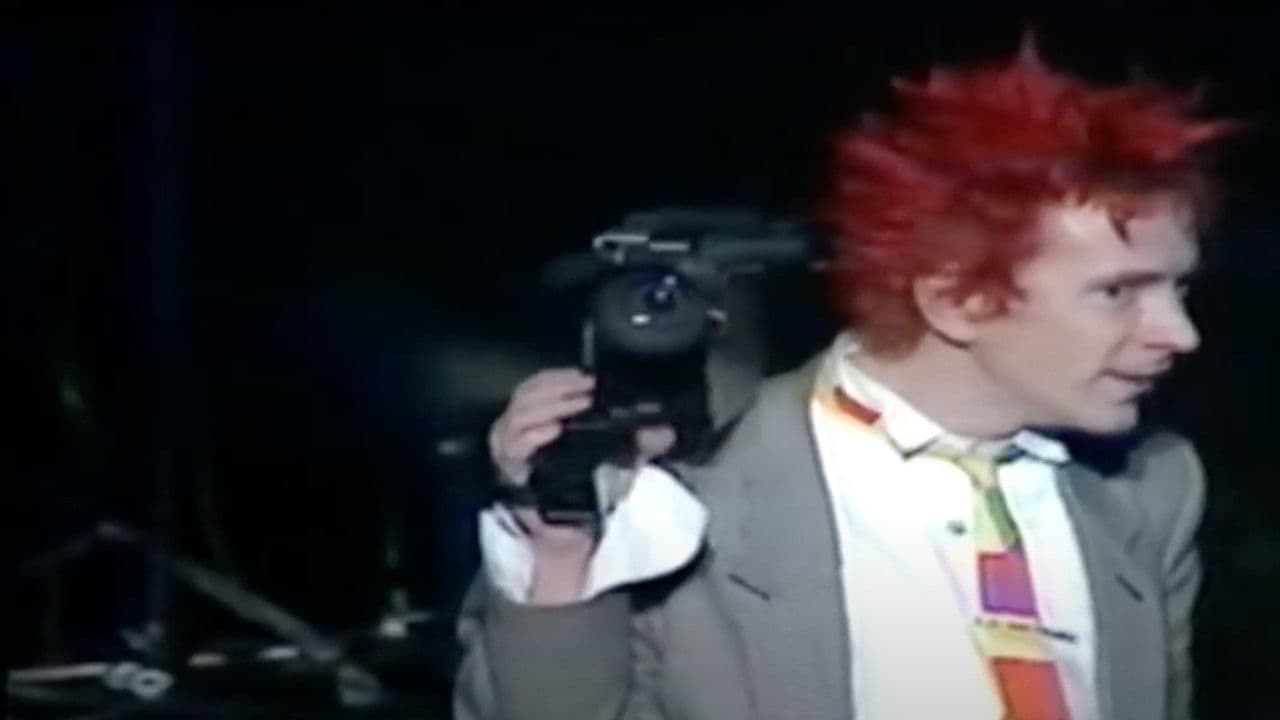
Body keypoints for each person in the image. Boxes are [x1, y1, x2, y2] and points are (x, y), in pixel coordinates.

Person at [453, 38, 1236, 720]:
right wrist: (563, 553)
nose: (1180, 333)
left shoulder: (1153, 488)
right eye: (1119, 292)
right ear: (957, 300)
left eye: (1178, 289)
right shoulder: (691, 487)